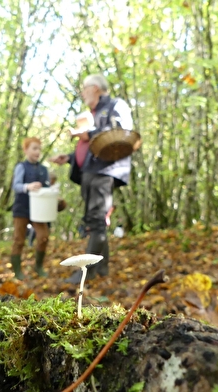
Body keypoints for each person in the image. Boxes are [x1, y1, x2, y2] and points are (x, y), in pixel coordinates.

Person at [50, 74, 133, 284]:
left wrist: (88, 134)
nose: (82, 93)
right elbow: (89, 148)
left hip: (105, 170)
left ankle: (86, 272)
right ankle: (102, 269)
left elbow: (120, 132)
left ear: (95, 88)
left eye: (84, 88)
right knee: (94, 220)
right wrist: (69, 158)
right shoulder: (92, 114)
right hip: (89, 171)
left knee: (96, 219)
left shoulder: (115, 105)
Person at [11, 137, 50, 280]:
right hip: (22, 208)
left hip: (39, 210)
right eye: (34, 148)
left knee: (43, 236)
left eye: (39, 149)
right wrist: (28, 187)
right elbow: (16, 186)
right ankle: (17, 271)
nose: (37, 152)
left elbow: (46, 188)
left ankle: (38, 266)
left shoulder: (43, 170)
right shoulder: (21, 167)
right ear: (26, 150)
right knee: (19, 239)